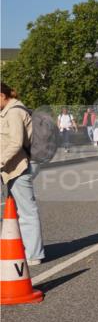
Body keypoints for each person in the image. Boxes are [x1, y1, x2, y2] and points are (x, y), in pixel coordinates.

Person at [0, 83, 45, 266]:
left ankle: (34, 254)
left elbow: (16, 142)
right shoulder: (7, 111)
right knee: (18, 210)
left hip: (20, 166)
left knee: (27, 211)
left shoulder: (14, 112)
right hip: (13, 167)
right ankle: (24, 249)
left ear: (2, 95)